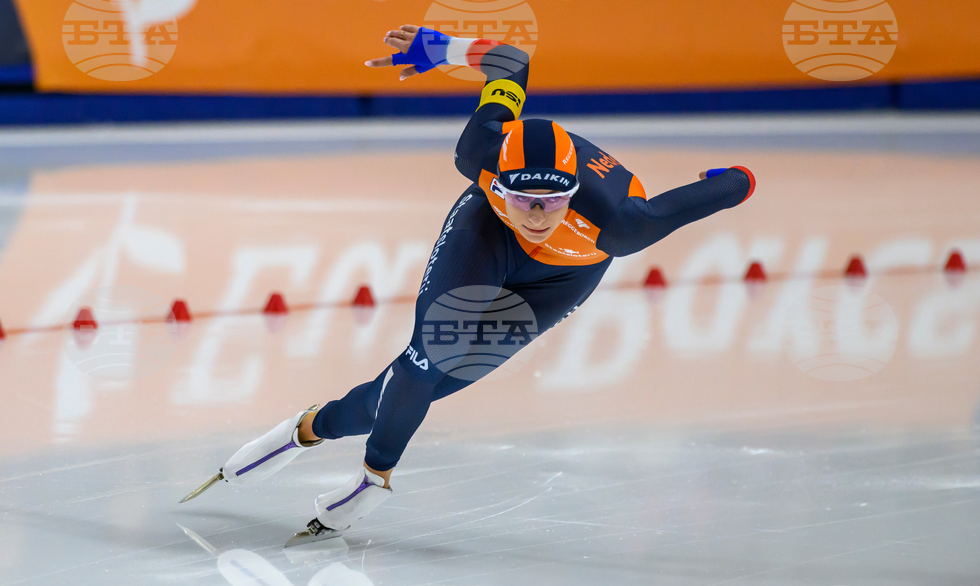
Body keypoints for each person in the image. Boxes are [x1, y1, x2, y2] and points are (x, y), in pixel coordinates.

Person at [180, 25, 756, 546]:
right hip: (486, 234)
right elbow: (511, 61)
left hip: (562, 276)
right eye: (522, 197)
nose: (535, 213)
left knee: (424, 384)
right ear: (495, 179)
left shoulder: (624, 225)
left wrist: (737, 178)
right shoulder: (478, 152)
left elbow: (716, 192)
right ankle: (373, 478)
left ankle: (306, 429)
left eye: (552, 201)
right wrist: (444, 49)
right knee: (425, 359)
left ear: (574, 192)